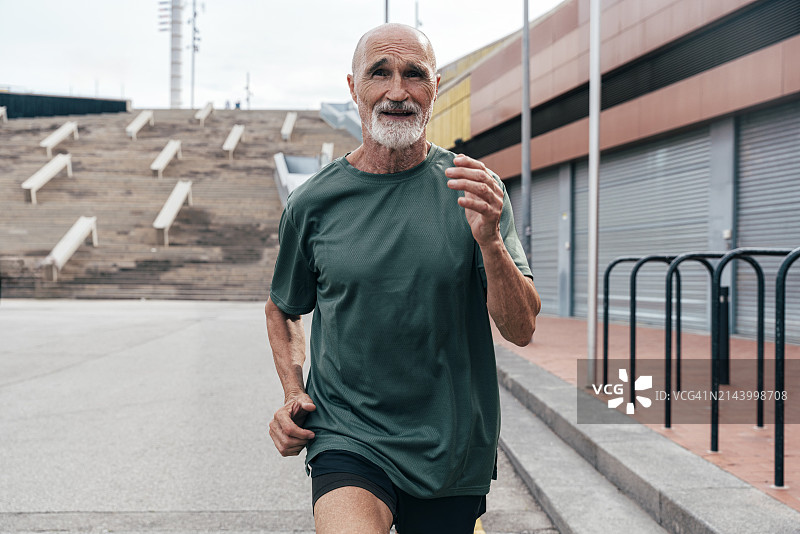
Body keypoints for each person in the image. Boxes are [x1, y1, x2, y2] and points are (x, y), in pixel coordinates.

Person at [265, 23, 540, 534]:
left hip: (451, 447)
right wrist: (292, 392)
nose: (397, 91)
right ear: (354, 88)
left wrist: (491, 243)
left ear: (434, 88)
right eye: (380, 73)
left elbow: (521, 328)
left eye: (414, 74)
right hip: (348, 435)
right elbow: (283, 307)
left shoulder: (475, 189)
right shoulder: (312, 203)